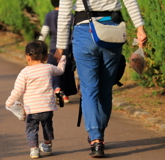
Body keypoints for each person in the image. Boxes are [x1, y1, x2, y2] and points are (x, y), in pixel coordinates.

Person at [55, 0, 147, 157]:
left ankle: (96, 139)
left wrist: (60, 47)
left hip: (84, 33)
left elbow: (64, 14)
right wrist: (140, 28)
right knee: (105, 89)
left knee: (89, 88)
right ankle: (99, 135)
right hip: (113, 31)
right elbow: (130, 1)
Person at [5, 40, 66, 159]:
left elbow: (18, 90)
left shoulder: (25, 72)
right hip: (47, 108)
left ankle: (34, 150)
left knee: (31, 130)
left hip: (31, 110)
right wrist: (62, 59)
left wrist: (9, 102)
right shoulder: (48, 68)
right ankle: (47, 146)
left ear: (27, 57)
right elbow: (60, 71)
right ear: (46, 57)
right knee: (47, 126)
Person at [39, 0, 76, 105]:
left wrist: (39, 43)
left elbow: (45, 30)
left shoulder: (49, 15)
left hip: (53, 48)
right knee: (66, 70)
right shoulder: (69, 15)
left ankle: (57, 88)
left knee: (53, 69)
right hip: (67, 47)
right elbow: (75, 29)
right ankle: (65, 95)